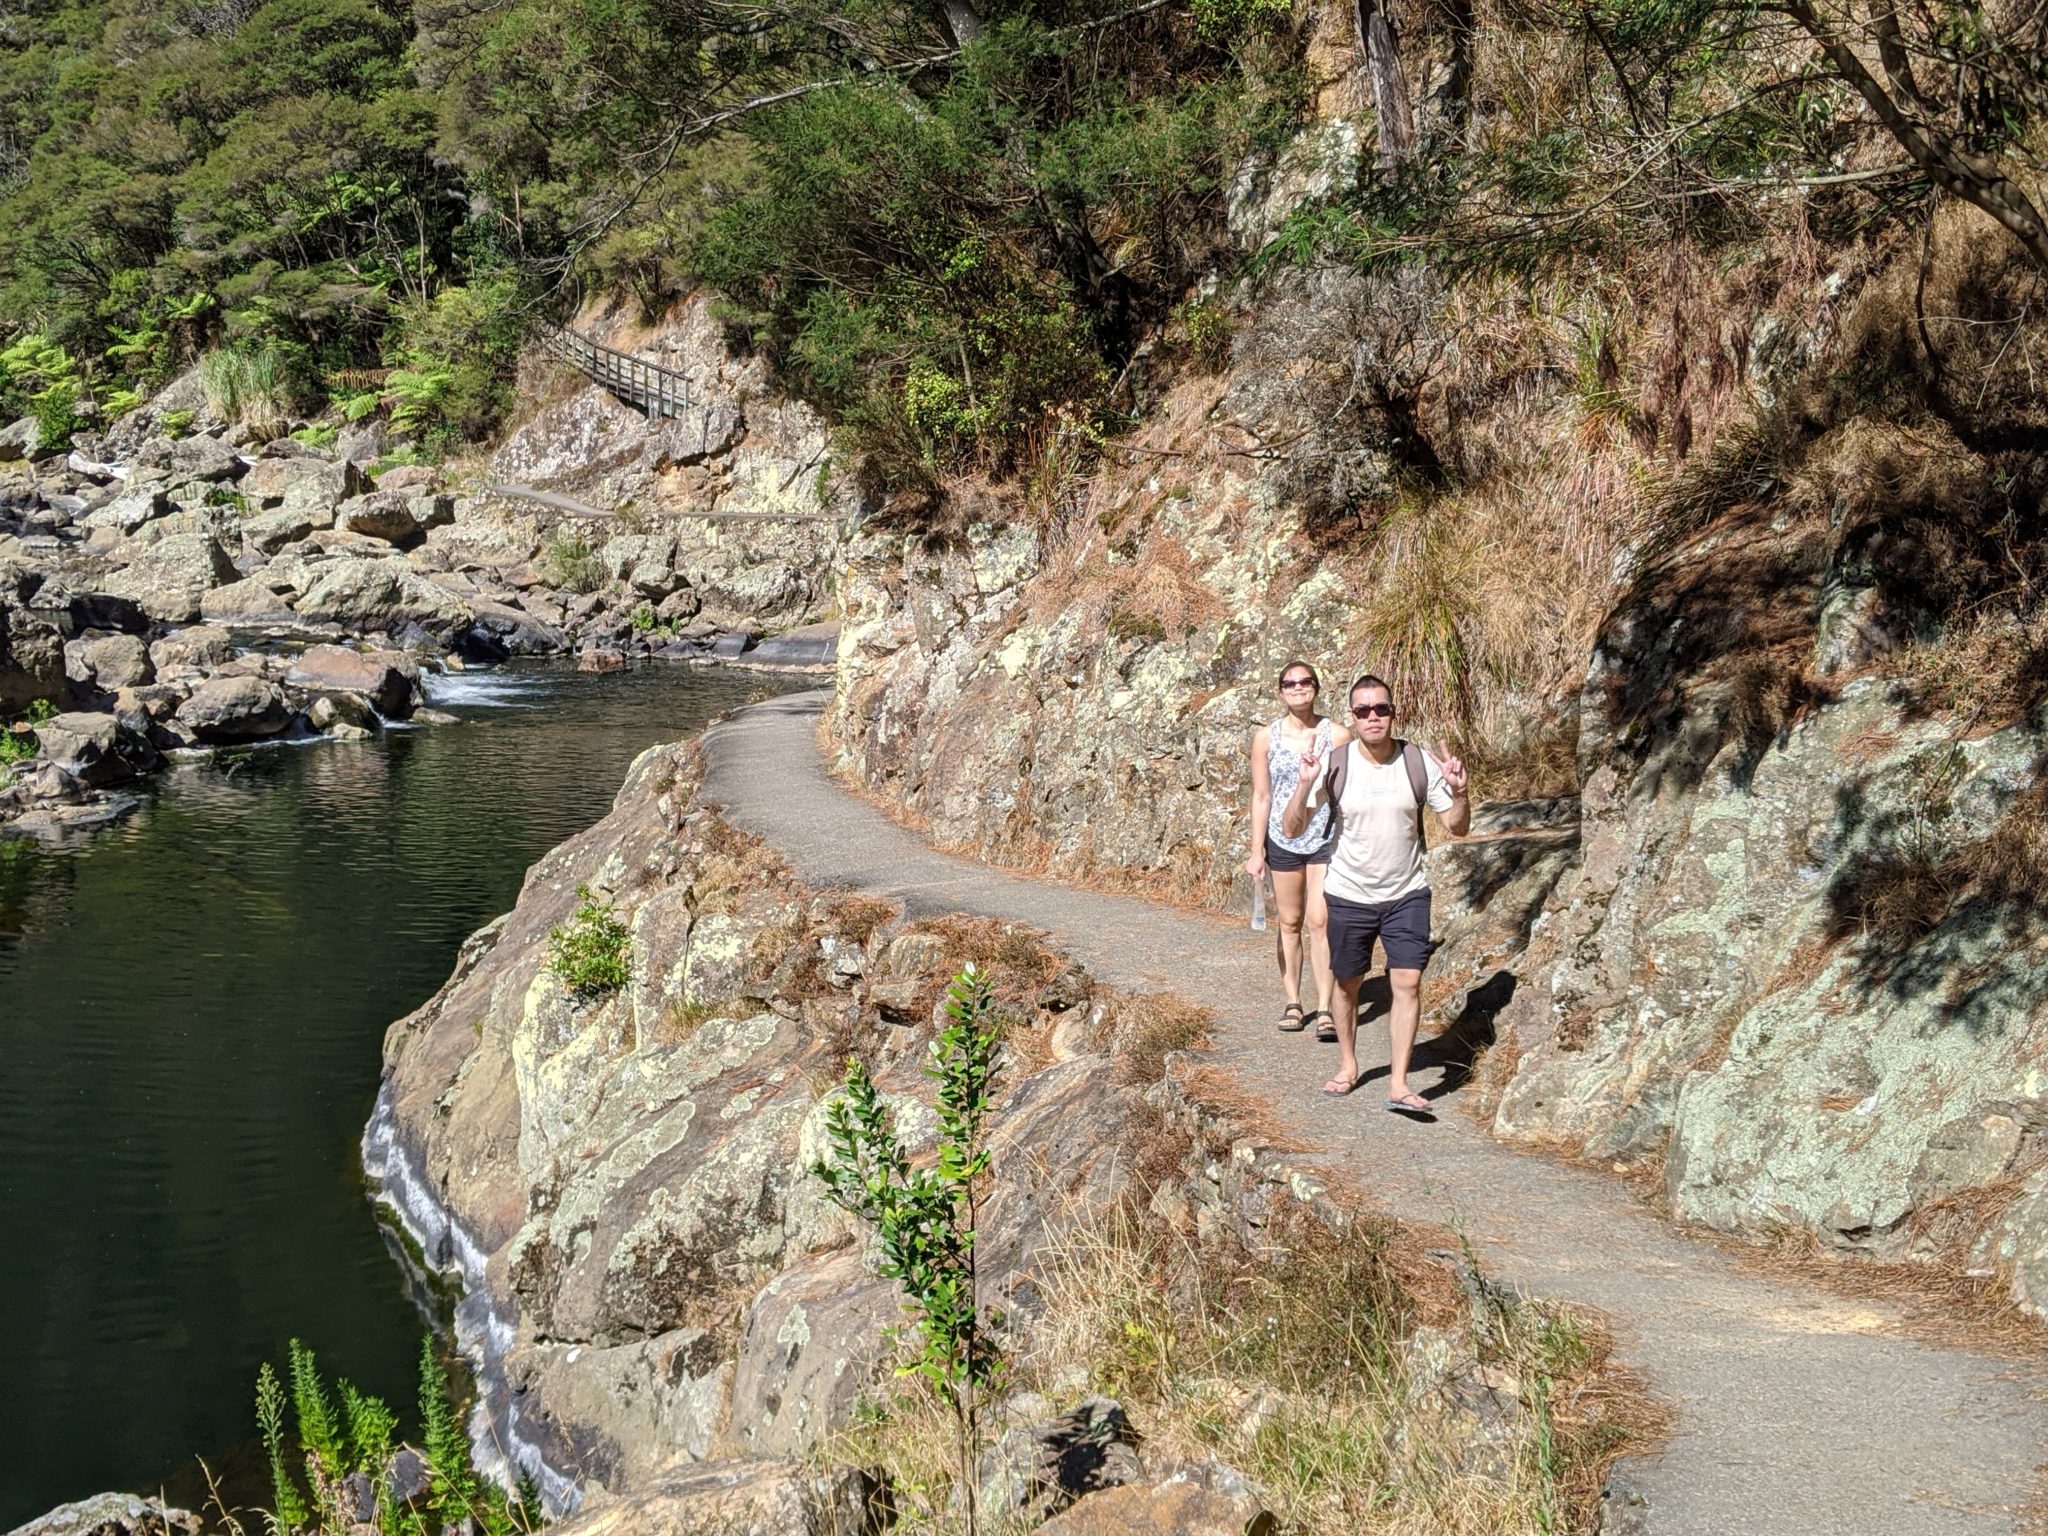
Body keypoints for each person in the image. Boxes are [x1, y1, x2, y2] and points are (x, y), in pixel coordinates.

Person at [1281, 673, 1468, 1110]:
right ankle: (1348, 1063)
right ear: (1353, 716)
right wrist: (1305, 783)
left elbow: (1457, 827)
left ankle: (1399, 1082)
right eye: (1363, 710)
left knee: (1408, 982)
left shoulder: (1417, 761)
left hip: (1407, 893)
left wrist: (1460, 793)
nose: (1373, 717)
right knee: (1347, 986)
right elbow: (1292, 829)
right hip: (1348, 894)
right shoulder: (1335, 763)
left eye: (1381, 708)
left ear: (1393, 713)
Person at [1243, 661, 1338, 1038]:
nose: (1298, 688)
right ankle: (1293, 1001)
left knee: (1321, 920)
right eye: (1290, 683)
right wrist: (1256, 851)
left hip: (1325, 837)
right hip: (1282, 840)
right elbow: (1261, 796)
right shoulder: (1265, 738)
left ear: (1316, 687)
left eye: (1305, 682)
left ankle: (1326, 1007)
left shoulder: (1338, 735)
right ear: (1280, 691)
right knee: (1290, 921)